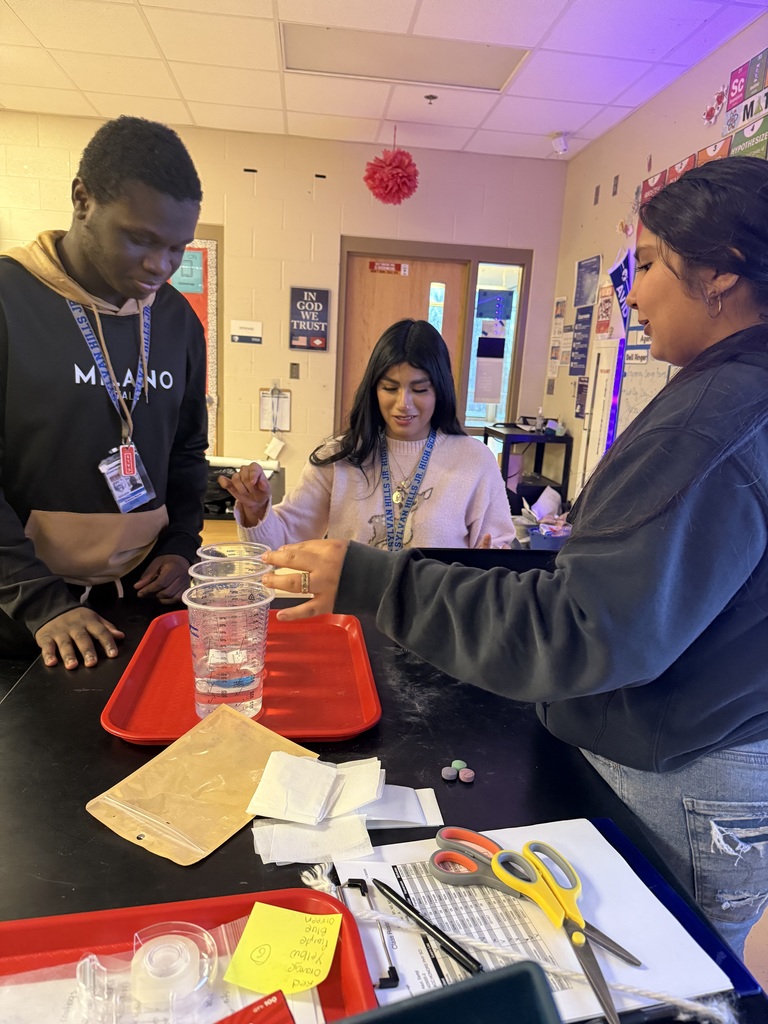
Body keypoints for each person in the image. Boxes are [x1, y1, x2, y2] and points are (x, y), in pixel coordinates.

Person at [260, 156, 768, 957]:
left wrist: (369, 579)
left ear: (720, 278)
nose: (632, 293)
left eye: (650, 266)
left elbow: (581, 628)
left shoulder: (708, 421)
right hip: (722, 747)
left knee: (665, 972)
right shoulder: (738, 399)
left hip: (682, 771)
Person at [0, 116, 208, 669]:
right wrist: (43, 603)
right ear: (82, 199)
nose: (159, 266)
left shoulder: (178, 322)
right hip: (26, 621)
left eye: (177, 248)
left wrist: (181, 544)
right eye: (140, 239)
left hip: (143, 605)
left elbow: (187, 452)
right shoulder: (9, 299)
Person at [220, 319, 517, 551]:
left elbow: (495, 549)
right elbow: (278, 545)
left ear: (440, 389)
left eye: (420, 389)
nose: (404, 404)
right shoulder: (338, 458)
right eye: (390, 388)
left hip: (437, 622)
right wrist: (257, 509)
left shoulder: (474, 460)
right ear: (373, 389)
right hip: (351, 620)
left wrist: (492, 561)